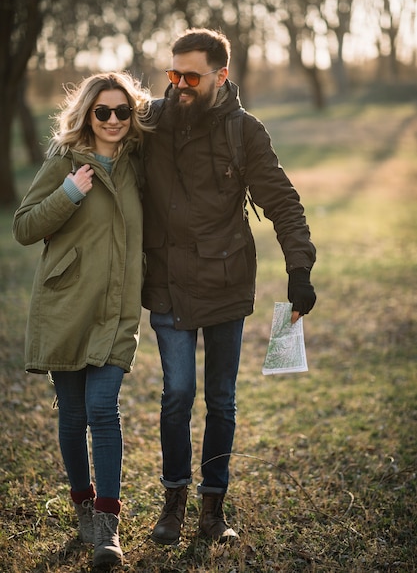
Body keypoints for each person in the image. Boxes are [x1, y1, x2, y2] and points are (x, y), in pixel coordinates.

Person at [141, 28, 317, 545]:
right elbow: (98, 145)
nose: (179, 86)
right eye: (173, 75)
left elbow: (282, 200)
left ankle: (212, 511)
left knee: (222, 399)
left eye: (191, 76)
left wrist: (299, 268)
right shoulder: (150, 121)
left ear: (221, 76)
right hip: (168, 284)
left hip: (225, 282)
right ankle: (172, 502)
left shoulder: (245, 132)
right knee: (177, 394)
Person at [12, 71, 152, 567]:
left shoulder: (140, 162)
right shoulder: (64, 160)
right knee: (72, 417)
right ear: (88, 114)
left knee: (102, 410)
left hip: (116, 310)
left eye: (122, 111)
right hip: (66, 305)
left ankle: (108, 528)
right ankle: (82, 510)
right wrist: (69, 192)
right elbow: (24, 227)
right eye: (103, 112)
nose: (113, 120)